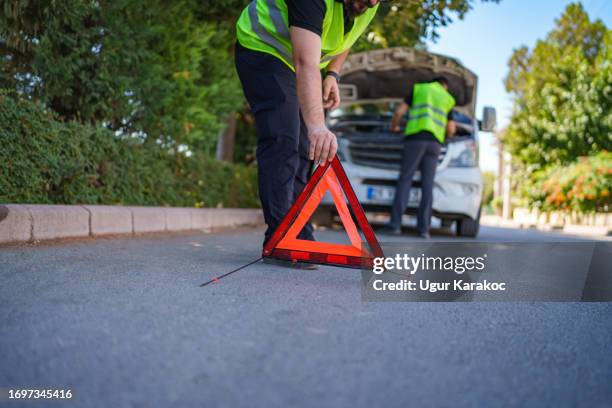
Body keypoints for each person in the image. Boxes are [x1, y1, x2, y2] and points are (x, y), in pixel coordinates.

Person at [235, 0, 382, 268]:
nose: (372, 2)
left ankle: (298, 233)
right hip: (263, 47)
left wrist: (333, 74)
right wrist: (317, 125)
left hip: (298, 62)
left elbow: (348, 37)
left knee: (306, 148)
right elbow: (306, 63)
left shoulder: (368, 4)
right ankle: (279, 239)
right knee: (285, 137)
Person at [384, 77, 456, 238]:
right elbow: (451, 129)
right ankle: (424, 229)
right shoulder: (447, 98)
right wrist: (445, 136)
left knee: (406, 179)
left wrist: (394, 127)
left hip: (415, 140)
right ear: (445, 86)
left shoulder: (420, 89)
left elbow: (399, 112)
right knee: (427, 185)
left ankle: (395, 225)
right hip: (435, 144)